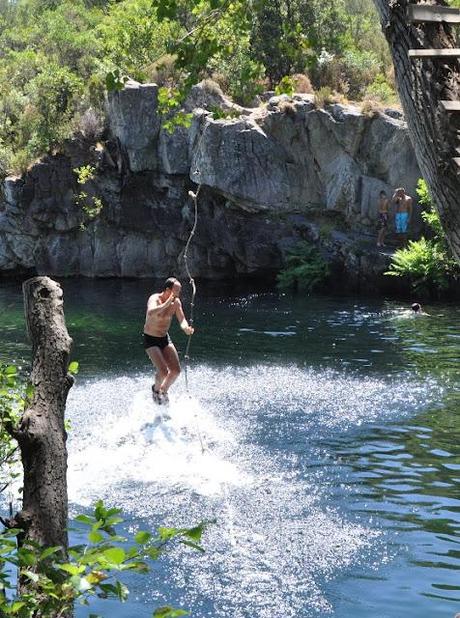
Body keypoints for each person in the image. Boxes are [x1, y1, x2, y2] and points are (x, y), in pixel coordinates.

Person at [143, 277, 194, 405]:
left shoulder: (176, 303)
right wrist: (165, 304)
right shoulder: (154, 299)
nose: (178, 294)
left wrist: (186, 328)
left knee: (176, 370)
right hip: (150, 339)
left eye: (179, 291)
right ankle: (155, 390)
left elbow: (182, 319)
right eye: (176, 290)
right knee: (163, 371)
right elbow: (150, 312)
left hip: (164, 338)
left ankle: (163, 391)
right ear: (167, 290)